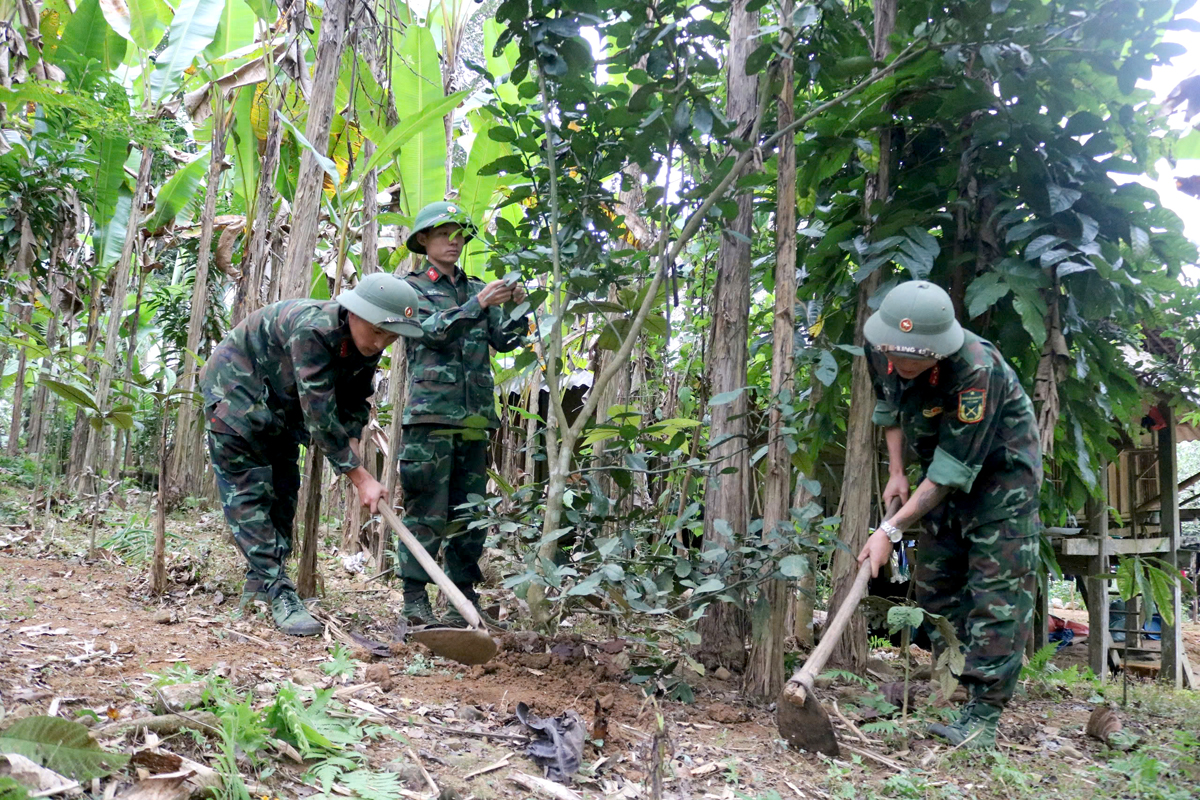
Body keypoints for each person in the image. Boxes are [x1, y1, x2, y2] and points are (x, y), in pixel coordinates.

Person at [856, 279, 1043, 749]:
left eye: (910, 360)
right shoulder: (882, 345)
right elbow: (888, 405)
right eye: (891, 356)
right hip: (938, 476)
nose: (896, 365)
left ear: (937, 352)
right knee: (938, 587)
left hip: (1001, 482)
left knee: (994, 595)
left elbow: (951, 471)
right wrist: (897, 471)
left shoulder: (978, 371)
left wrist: (889, 530)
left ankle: (983, 716)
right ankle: (953, 687)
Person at [201, 274, 423, 636]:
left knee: (284, 492)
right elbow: (318, 413)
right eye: (379, 331)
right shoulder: (314, 330)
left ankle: (258, 588)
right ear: (355, 313)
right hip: (236, 395)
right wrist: (360, 476)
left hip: (278, 407)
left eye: (391, 336)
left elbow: (354, 398)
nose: (382, 342)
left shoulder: (365, 343)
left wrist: (352, 436)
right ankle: (279, 591)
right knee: (250, 495)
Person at [398, 201, 528, 628]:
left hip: (475, 420)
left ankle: (461, 601)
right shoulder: (409, 289)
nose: (453, 242)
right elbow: (429, 331)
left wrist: (516, 308)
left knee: (469, 514)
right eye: (442, 234)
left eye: (459, 235)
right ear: (423, 241)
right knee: (425, 510)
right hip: (430, 418)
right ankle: (414, 600)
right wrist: (479, 303)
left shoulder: (477, 289)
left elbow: (505, 342)